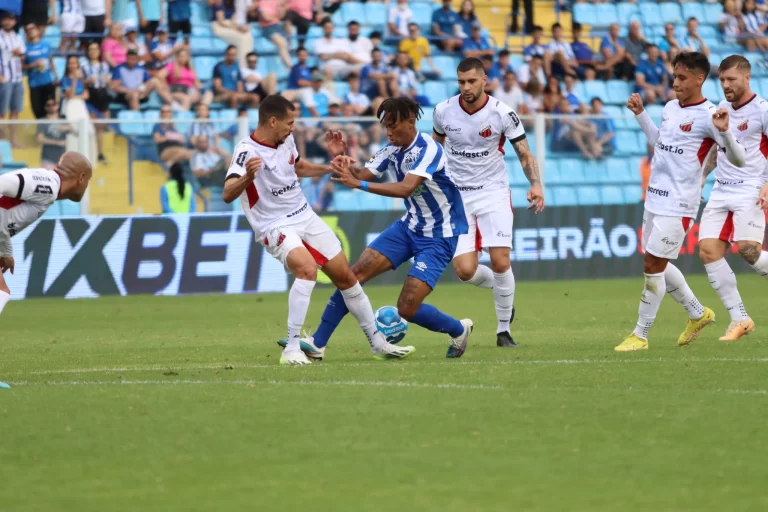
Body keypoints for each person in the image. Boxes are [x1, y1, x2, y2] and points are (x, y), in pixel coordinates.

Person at [223, 95, 415, 365]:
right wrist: (247, 177)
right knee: (306, 270)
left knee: (347, 278)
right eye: (289, 123)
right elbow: (227, 193)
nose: (293, 128)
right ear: (272, 120)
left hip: (304, 215)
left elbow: (298, 167)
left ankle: (377, 343)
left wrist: (330, 166)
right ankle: (291, 348)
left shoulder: (285, 139)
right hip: (273, 224)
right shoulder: (246, 151)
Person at [292, 96, 473, 360]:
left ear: (411, 121)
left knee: (407, 308)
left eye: (393, 125)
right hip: (408, 227)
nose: (388, 131)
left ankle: (458, 329)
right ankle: (318, 343)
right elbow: (361, 173)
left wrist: (360, 185)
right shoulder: (391, 150)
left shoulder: (430, 149)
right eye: (385, 126)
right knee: (351, 277)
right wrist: (341, 159)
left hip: (440, 235)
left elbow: (406, 187)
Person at [616, 52, 746, 352]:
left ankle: (640, 334)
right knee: (655, 262)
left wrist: (725, 132)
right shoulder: (671, 107)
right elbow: (661, 144)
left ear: (700, 79)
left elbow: (738, 159)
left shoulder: (710, 115)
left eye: (682, 77)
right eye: (674, 76)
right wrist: (641, 114)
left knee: (652, 265)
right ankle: (698, 313)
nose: (676, 83)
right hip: (654, 198)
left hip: (680, 204)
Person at [433, 58, 543, 347]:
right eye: (461, 82)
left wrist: (535, 184)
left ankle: (503, 330)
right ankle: (504, 292)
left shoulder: (502, 113)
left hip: (493, 191)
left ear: (485, 80)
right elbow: (434, 149)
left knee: (499, 260)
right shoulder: (443, 111)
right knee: (465, 271)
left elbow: (524, 153)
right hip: (457, 196)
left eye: (471, 81)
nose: (466, 87)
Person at [698, 55, 768, 341]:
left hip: (751, 188)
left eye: (731, 80)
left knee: (748, 251)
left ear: (747, 78)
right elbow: (718, 150)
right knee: (708, 251)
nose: (726, 85)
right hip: (721, 190)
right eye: (722, 80)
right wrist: (701, 176)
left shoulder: (763, 110)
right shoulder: (720, 109)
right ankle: (739, 318)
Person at [0, 152, 93, 317]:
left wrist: (5, 251)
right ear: (81, 177)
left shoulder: (47, 185)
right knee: (1, 292)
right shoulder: (48, 186)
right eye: (88, 181)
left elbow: (3, 218)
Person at [82, 41, 111, 162]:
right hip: (92, 93)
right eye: (91, 50)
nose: (93, 52)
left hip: (102, 93)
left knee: (100, 126)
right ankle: (90, 152)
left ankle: (100, 152)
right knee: (91, 125)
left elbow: (107, 81)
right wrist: (88, 81)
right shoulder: (84, 66)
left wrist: (108, 80)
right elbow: (81, 82)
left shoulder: (104, 66)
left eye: (95, 49)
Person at [0, 11, 24, 148]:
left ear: (14, 22)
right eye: (5, 19)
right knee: (2, 112)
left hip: (17, 78)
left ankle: (13, 140)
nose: (8, 22)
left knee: (15, 111)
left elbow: (23, 56)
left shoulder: (18, 37)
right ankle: (2, 141)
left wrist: (20, 54)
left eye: (10, 19)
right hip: (5, 78)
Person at [23, 23, 56, 120]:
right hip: (34, 83)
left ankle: (50, 131)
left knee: (50, 108)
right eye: (28, 30)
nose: (31, 31)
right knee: (37, 109)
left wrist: (55, 77)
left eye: (33, 28)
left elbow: (51, 61)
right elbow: (21, 67)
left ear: (38, 31)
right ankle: (41, 130)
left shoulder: (46, 44)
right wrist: (32, 65)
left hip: (47, 81)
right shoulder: (25, 48)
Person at [210, 0, 253, 68]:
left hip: (230, 25)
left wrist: (241, 28)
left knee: (248, 36)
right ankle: (242, 67)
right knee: (242, 39)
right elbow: (221, 21)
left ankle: (247, 65)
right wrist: (237, 28)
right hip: (218, 26)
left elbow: (233, 20)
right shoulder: (220, 3)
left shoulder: (233, 4)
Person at [37, 99, 73, 169]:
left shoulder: (64, 121)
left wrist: (69, 128)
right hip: (47, 158)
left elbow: (78, 134)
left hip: (62, 160)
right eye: (48, 105)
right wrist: (58, 142)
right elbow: (40, 139)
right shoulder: (43, 121)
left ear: (58, 106)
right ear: (45, 107)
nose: (51, 107)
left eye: (53, 104)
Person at [256, 0, 292, 68]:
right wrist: (276, 18)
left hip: (278, 26)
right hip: (267, 28)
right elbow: (266, 18)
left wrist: (283, 7)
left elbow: (281, 16)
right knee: (282, 43)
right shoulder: (262, 2)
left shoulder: (276, 1)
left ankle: (288, 67)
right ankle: (290, 66)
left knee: (283, 44)